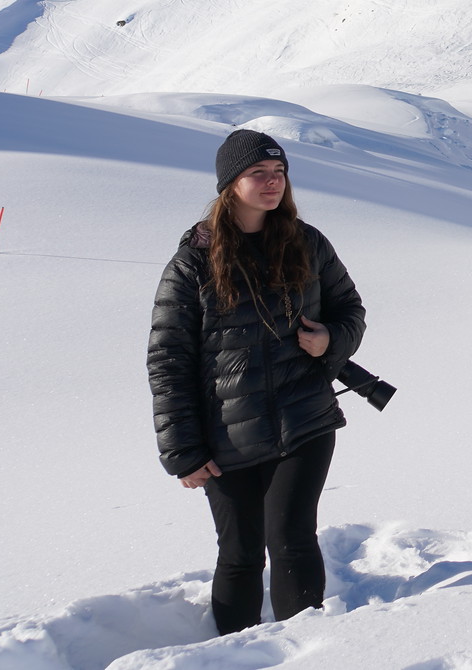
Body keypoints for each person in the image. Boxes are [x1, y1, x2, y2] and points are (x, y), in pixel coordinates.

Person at [147, 130, 367, 635]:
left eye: (279, 173)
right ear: (230, 184)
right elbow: (168, 361)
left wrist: (330, 338)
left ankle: (310, 652)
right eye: (258, 174)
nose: (272, 183)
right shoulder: (193, 264)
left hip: (304, 419)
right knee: (241, 554)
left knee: (290, 537)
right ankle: (234, 656)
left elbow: (350, 310)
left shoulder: (306, 243)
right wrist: (182, 448)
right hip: (227, 435)